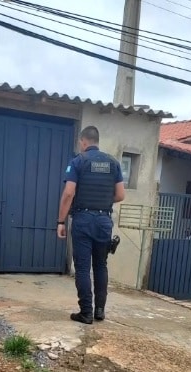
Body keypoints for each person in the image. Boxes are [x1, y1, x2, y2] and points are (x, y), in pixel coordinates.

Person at [56, 126, 125, 324]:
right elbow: (120, 195)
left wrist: (61, 221)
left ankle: (86, 312)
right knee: (101, 266)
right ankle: (100, 311)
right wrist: (102, 201)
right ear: (97, 140)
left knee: (84, 268)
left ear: (83, 141)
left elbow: (69, 193)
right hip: (104, 221)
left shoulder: (78, 161)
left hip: (83, 220)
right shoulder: (114, 163)